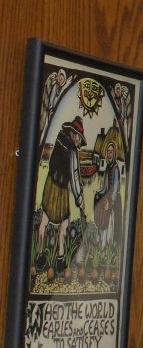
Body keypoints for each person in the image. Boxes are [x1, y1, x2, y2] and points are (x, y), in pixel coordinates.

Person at [35, 115, 86, 275]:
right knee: (63, 225)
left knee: (44, 220)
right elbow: (75, 176)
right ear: (73, 134)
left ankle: (39, 256)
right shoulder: (73, 152)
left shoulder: (59, 138)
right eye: (78, 136)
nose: (79, 140)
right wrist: (79, 199)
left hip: (50, 183)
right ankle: (60, 259)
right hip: (61, 189)